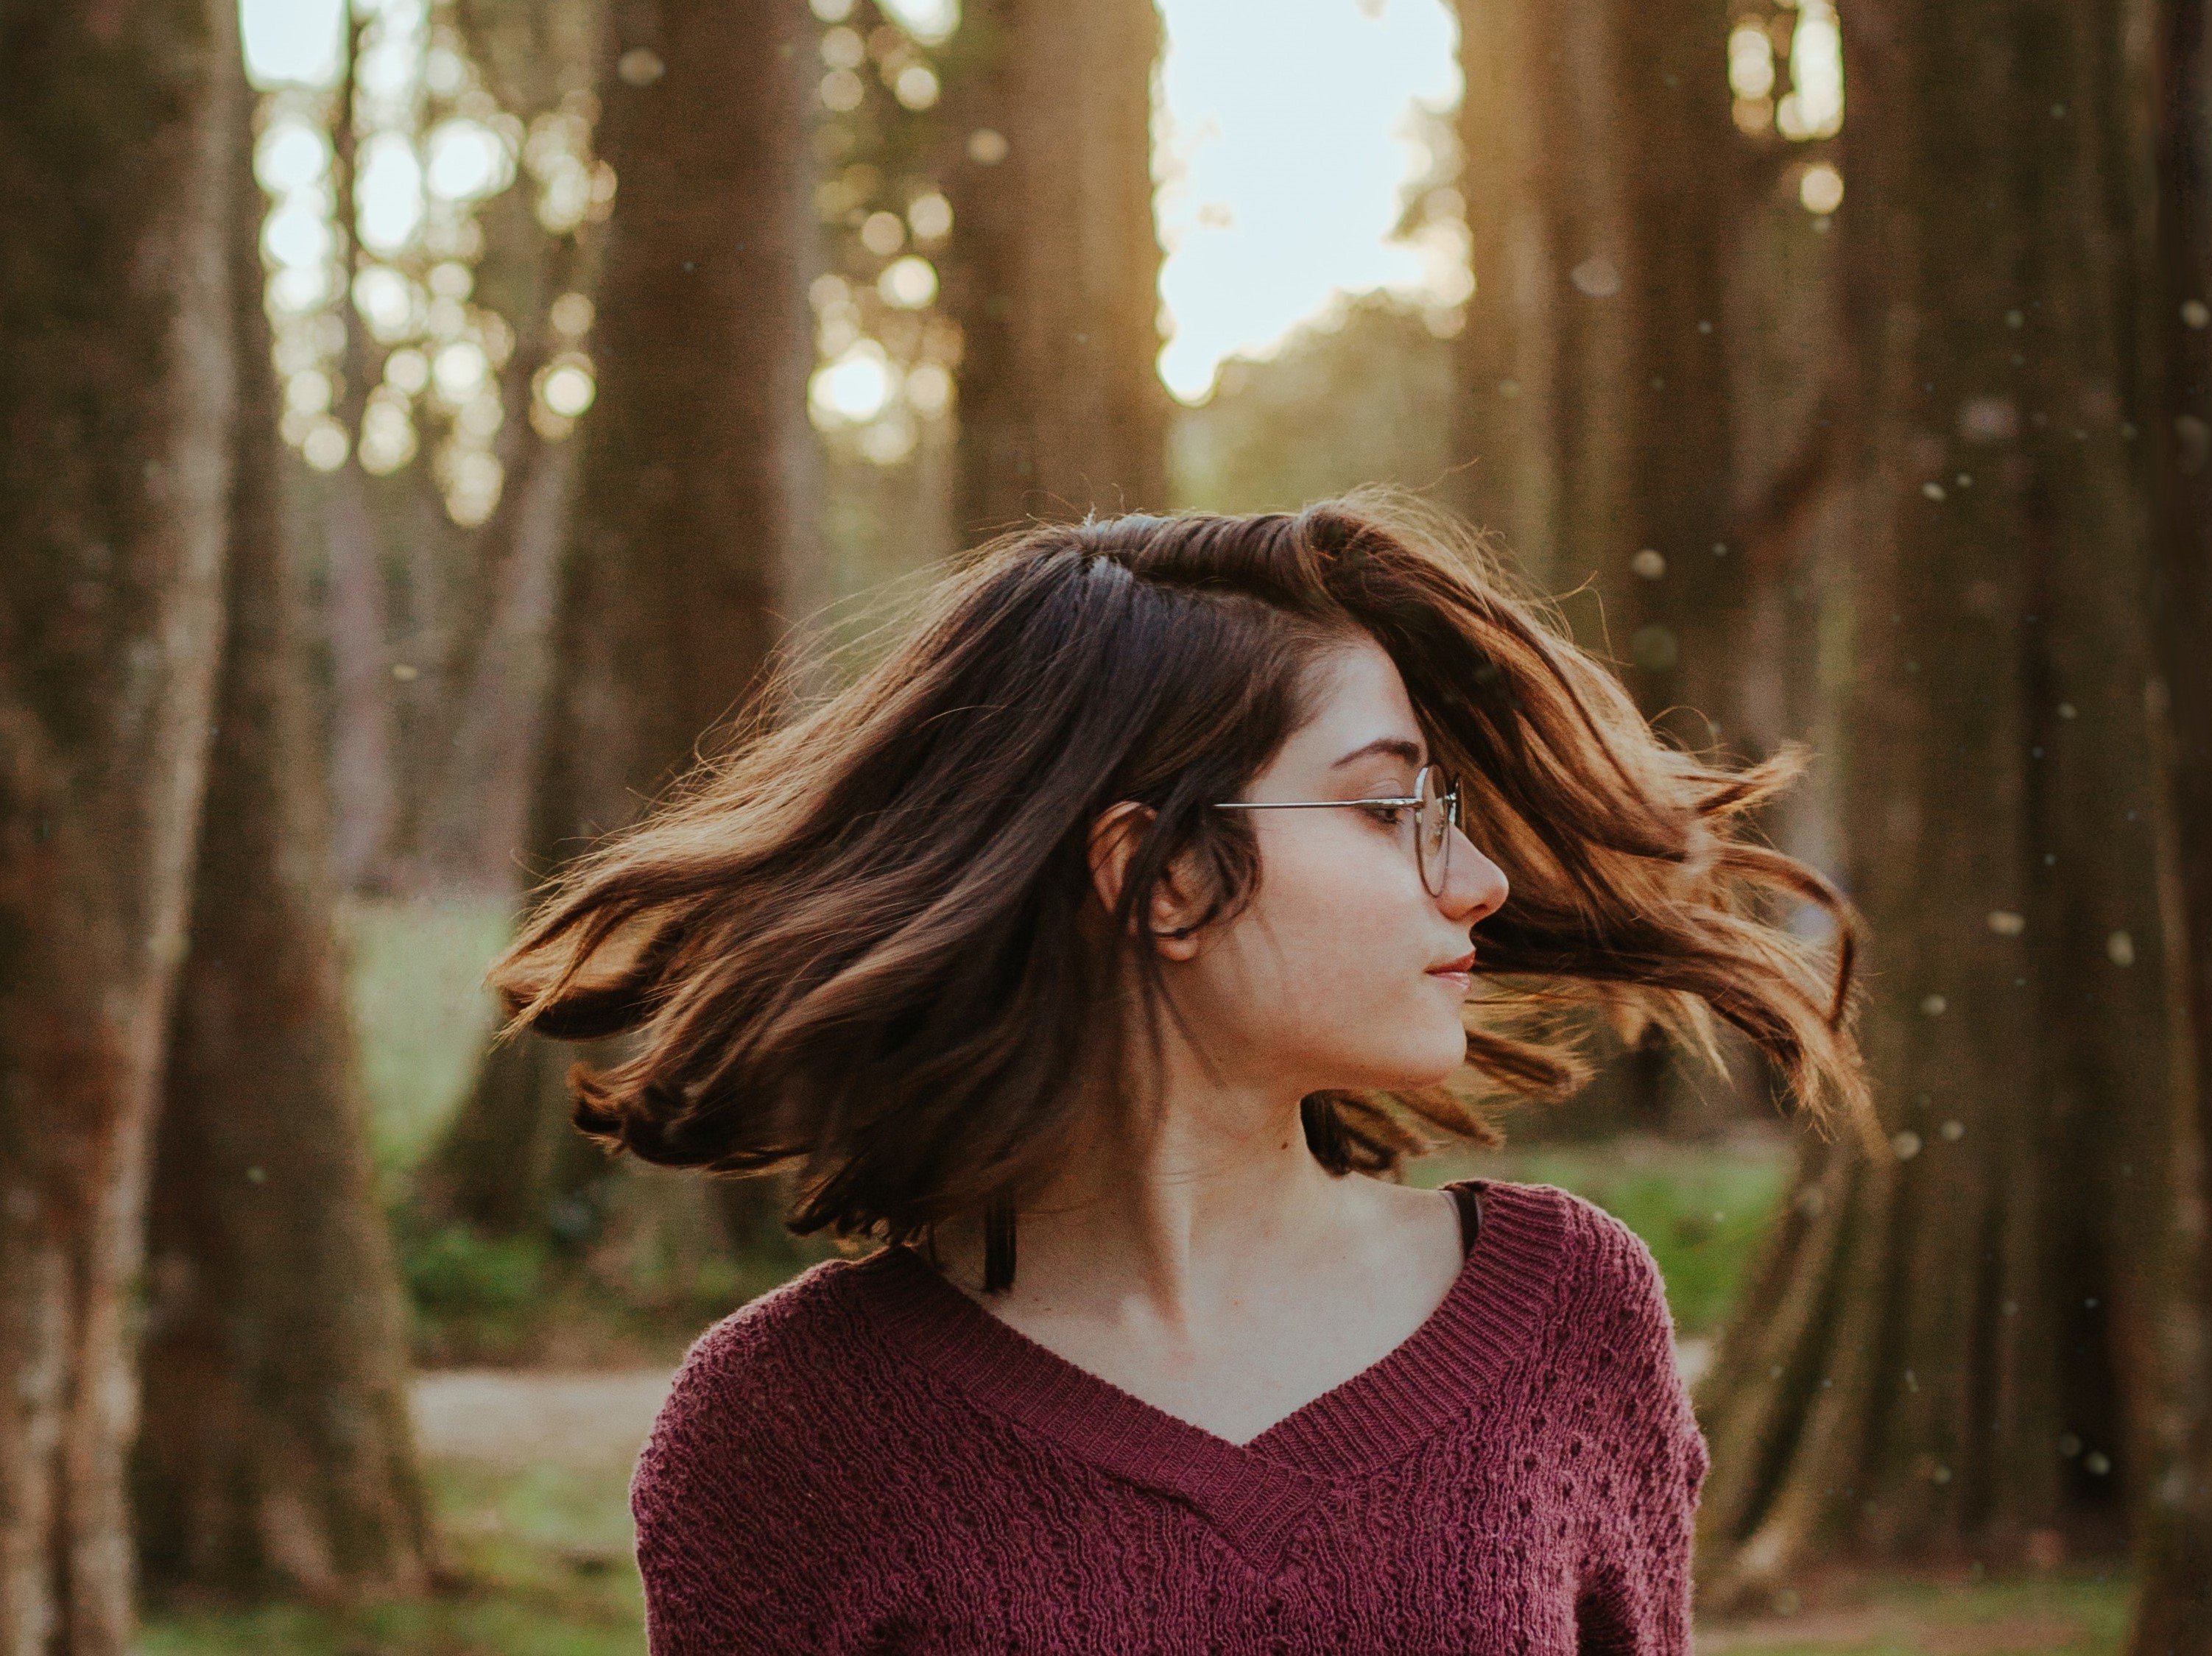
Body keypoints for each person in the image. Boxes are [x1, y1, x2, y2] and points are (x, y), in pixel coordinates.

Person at [490, 495, 1865, 1654]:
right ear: (1162, 874)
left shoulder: (1569, 1315)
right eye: (1392, 806)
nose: (1479, 880)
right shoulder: (784, 1428)